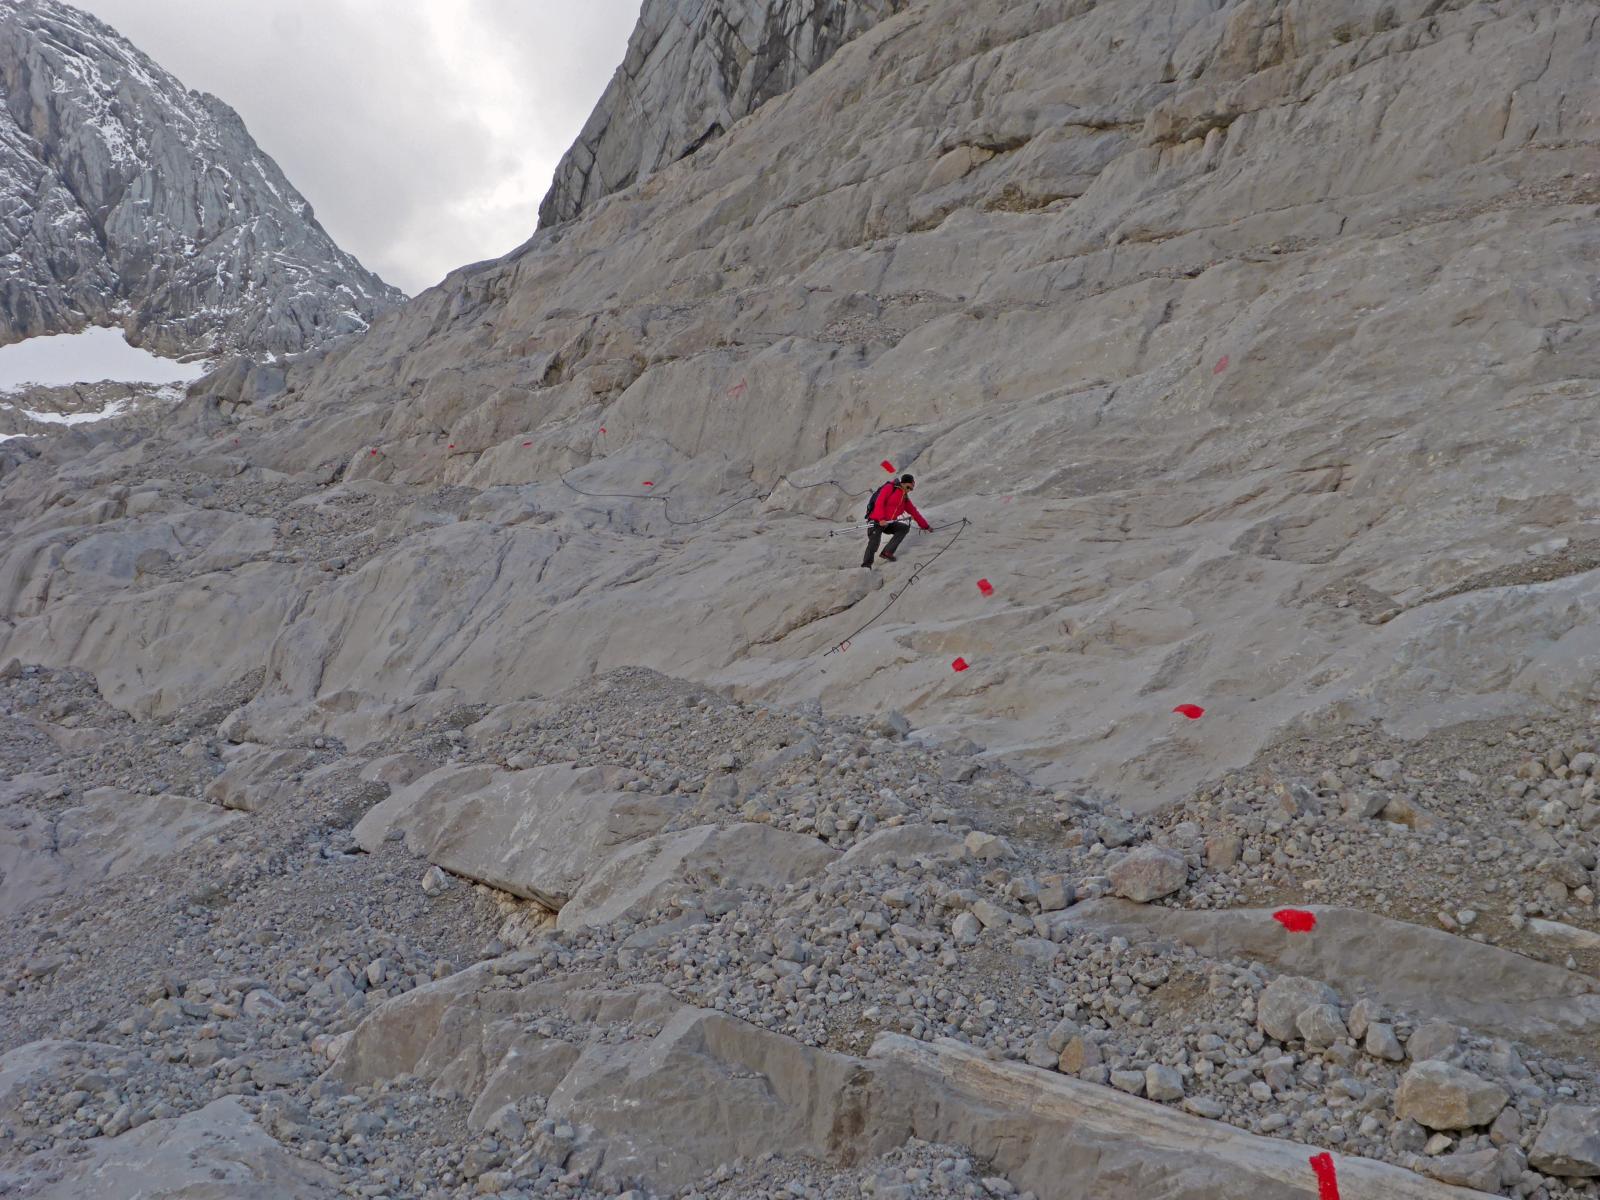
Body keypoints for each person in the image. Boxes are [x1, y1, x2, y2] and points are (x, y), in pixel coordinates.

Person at [862, 473, 930, 567]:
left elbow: (914, 512)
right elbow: (879, 503)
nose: (909, 490)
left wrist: (926, 526)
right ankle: (866, 566)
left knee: (903, 528)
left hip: (888, 523)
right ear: (903, 483)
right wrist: (881, 519)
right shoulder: (890, 488)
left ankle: (887, 552)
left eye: (911, 489)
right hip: (876, 520)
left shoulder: (904, 497)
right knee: (874, 543)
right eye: (908, 487)